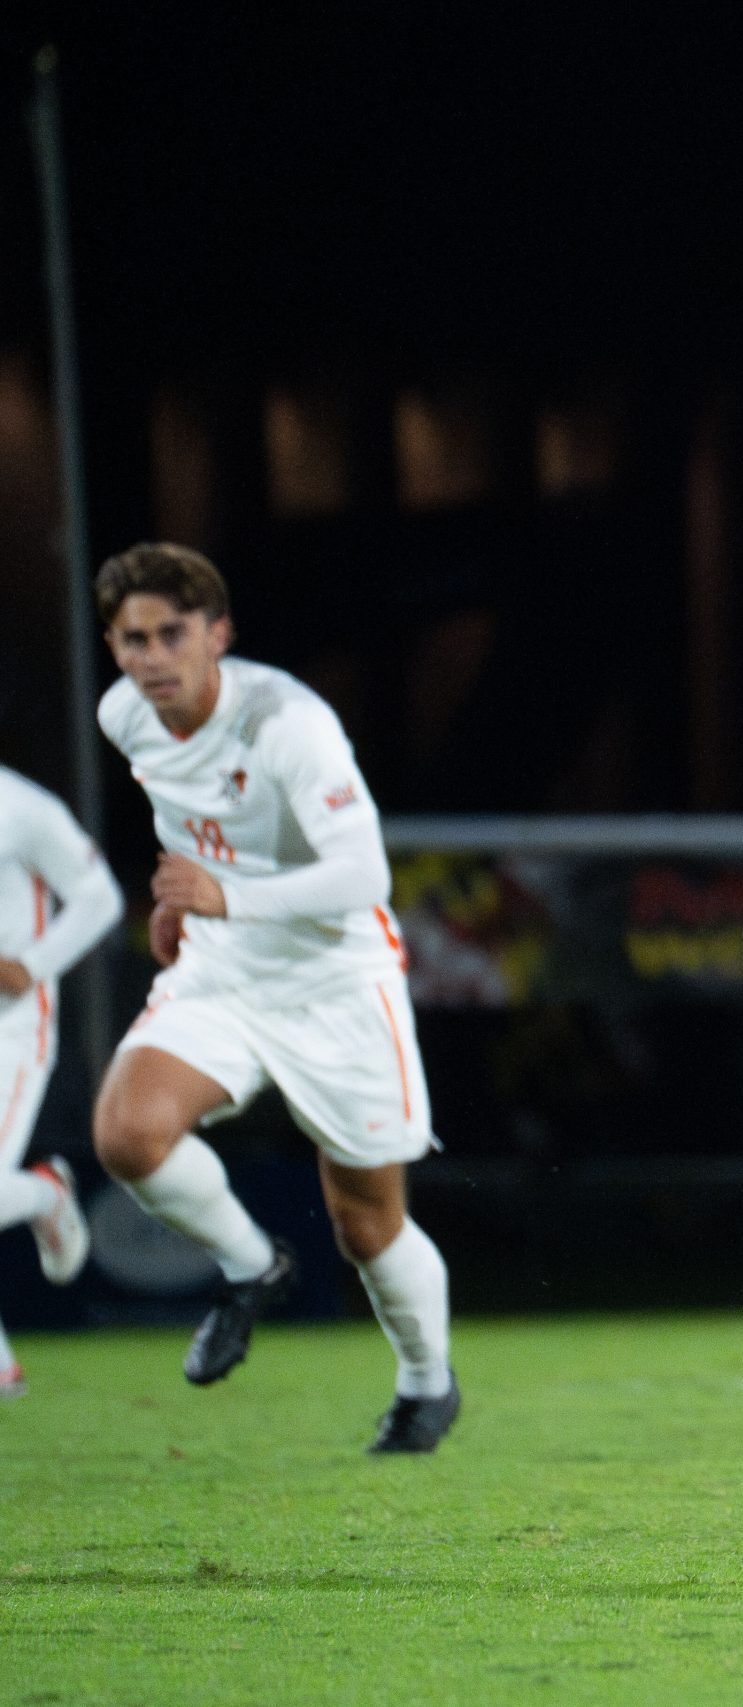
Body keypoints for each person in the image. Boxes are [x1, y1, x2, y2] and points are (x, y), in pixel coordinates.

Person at [87, 544, 461, 1450]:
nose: (151, 657)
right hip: (224, 968)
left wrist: (227, 894)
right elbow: (188, 821)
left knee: (365, 1222)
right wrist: (178, 905)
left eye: (172, 633)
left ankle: (426, 1384)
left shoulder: (289, 723)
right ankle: (251, 1266)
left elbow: (364, 872)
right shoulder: (123, 716)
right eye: (132, 638)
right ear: (113, 645)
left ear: (218, 633)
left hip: (335, 981)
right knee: (128, 1134)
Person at [0, 764, 124, 1397]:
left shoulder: (20, 805)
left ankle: (48, 1195)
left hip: (10, 1026)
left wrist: (34, 963)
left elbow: (100, 897)